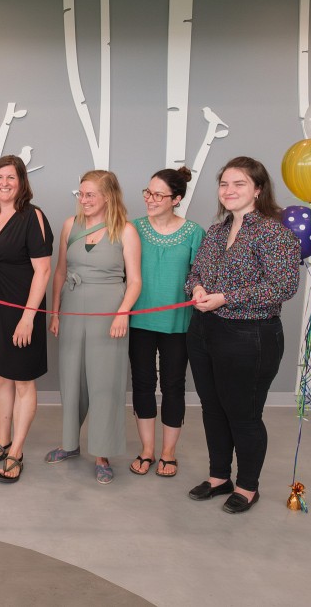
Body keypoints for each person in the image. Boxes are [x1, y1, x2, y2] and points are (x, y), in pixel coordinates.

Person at [185, 156, 300, 514]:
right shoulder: (217, 230)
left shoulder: (273, 232)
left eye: (239, 184)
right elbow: (195, 272)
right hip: (205, 330)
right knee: (213, 408)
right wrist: (198, 288)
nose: (229, 191)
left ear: (258, 189)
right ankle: (220, 477)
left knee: (243, 413)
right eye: (224, 184)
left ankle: (248, 486)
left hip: (249, 335)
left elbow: (283, 285)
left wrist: (226, 298)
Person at [47, 170, 141, 484]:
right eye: (81, 194)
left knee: (105, 382)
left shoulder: (125, 230)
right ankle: (69, 443)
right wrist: (56, 312)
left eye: (91, 195)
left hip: (109, 311)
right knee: (71, 378)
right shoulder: (69, 226)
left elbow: (135, 281)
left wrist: (122, 314)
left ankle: (102, 452)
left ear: (108, 197)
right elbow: (59, 272)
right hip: (72, 308)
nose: (84, 200)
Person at [0, 155, 53, 484]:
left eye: (11, 177)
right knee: (1, 378)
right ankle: (3, 441)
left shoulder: (33, 216)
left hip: (22, 309)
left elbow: (43, 270)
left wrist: (28, 318)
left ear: (22, 182)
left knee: (22, 381)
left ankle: (17, 450)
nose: (4, 182)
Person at [128, 167, 205, 478]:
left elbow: (199, 278)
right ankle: (147, 450)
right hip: (139, 322)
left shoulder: (194, 233)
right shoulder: (132, 228)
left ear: (176, 199)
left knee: (173, 386)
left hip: (178, 324)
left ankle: (168, 454)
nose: (150, 199)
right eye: (148, 192)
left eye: (158, 195)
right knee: (143, 384)